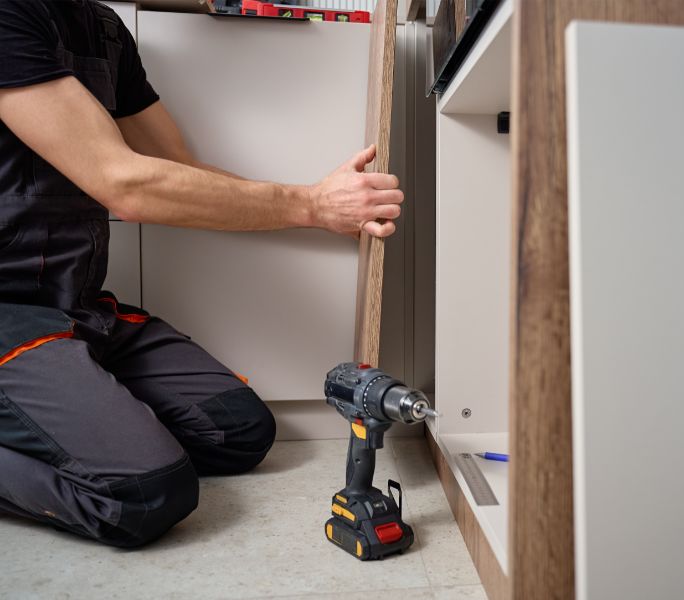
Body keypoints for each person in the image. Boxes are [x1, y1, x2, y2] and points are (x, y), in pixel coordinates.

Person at [0, 0, 403, 547]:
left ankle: (75, 402)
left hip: (75, 306)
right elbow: (127, 184)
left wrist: (323, 202)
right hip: (9, 314)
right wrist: (309, 205)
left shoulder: (103, 27)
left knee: (239, 433)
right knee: (144, 494)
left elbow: (174, 166)